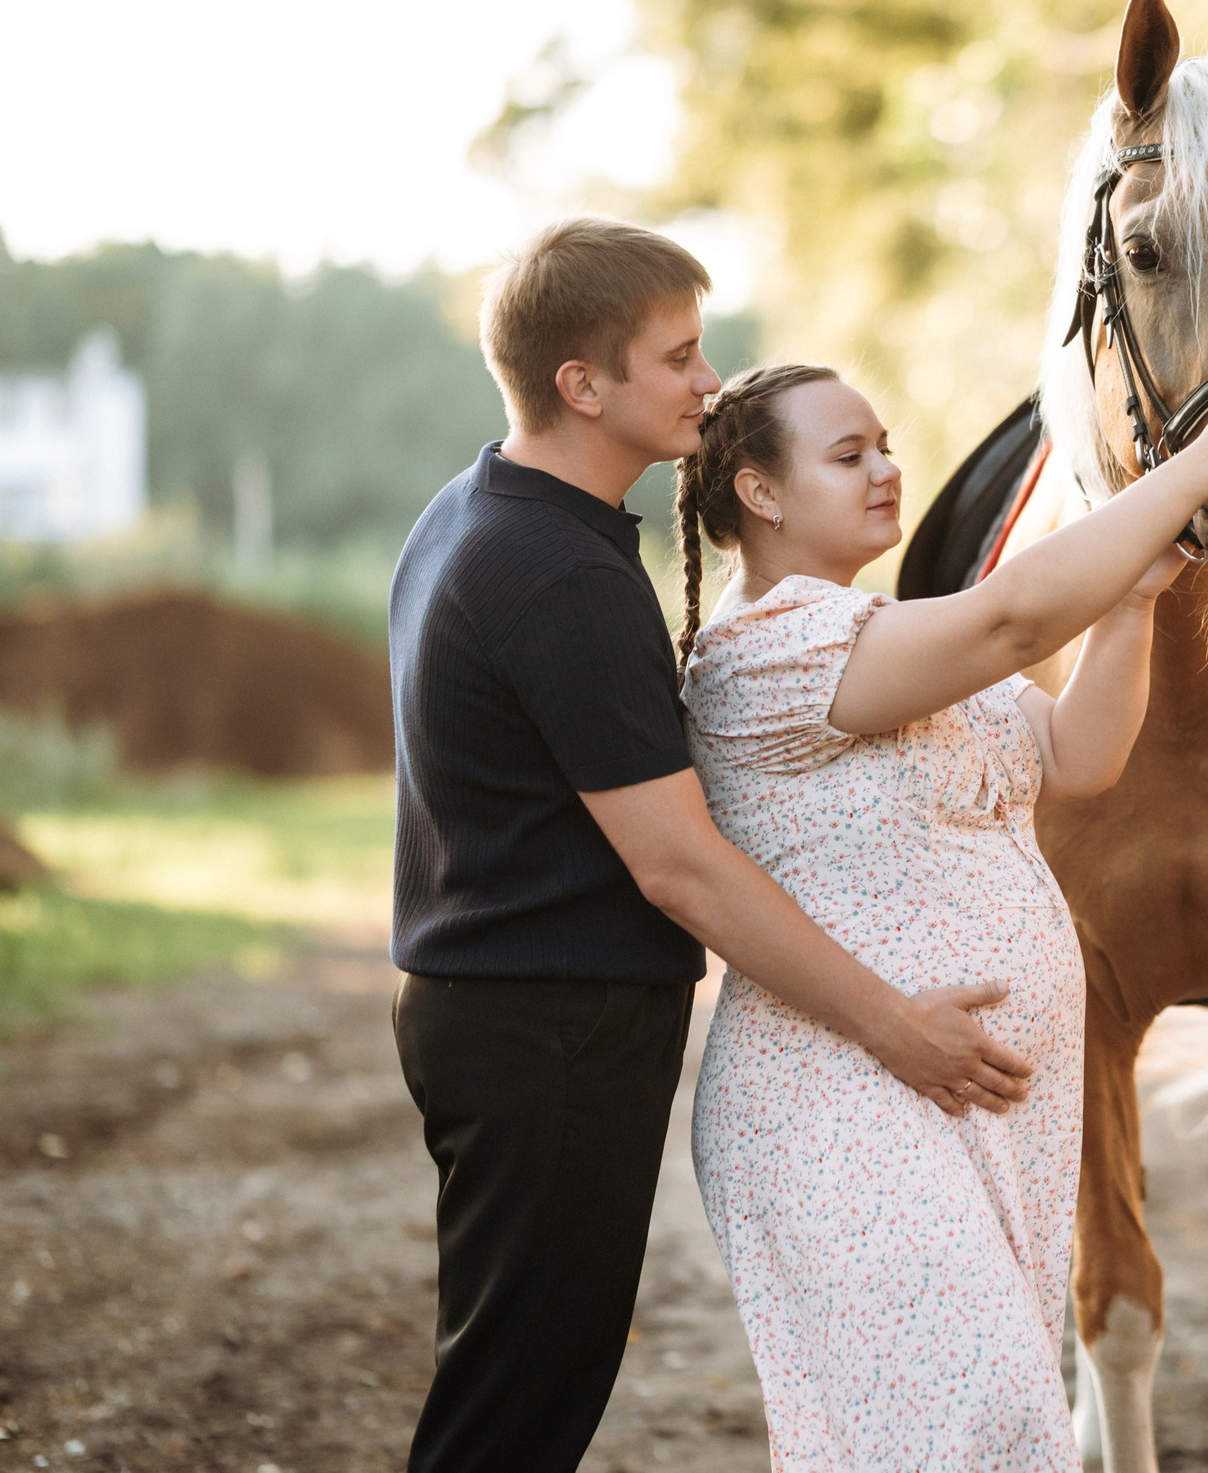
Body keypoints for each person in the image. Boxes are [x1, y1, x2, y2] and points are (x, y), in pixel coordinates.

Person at [387, 218, 1038, 1473]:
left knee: (525, 1372)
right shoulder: (555, 573)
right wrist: (891, 1023)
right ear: (584, 386)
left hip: (508, 1014)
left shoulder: (474, 512)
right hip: (548, 1028)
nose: (708, 382)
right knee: (522, 1396)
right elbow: (678, 864)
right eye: (679, 358)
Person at [674, 362, 1208, 1470]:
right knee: (977, 1428)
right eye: (849, 456)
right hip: (843, 1105)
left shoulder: (892, 631)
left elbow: (1080, 756)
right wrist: (1194, 472)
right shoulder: (768, 650)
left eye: (885, 443)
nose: (888, 469)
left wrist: (1129, 602)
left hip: (979, 1109)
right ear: (760, 495)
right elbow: (1015, 618)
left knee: (955, 1430)